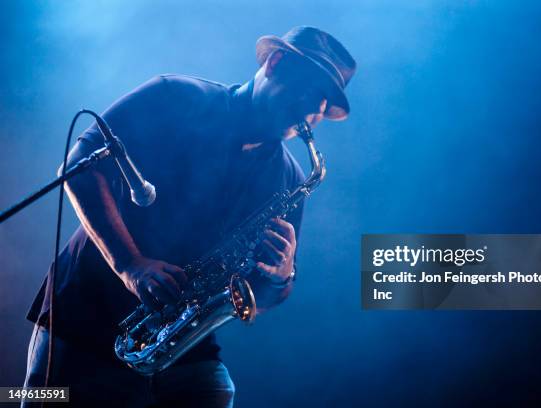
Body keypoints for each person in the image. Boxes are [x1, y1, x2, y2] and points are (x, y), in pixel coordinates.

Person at [22, 26, 356, 407]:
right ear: (276, 63)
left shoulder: (292, 178)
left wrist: (280, 276)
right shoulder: (175, 96)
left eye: (328, 104)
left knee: (218, 393)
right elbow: (80, 164)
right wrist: (131, 265)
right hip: (86, 319)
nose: (317, 112)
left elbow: (260, 296)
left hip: (178, 345)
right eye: (313, 91)